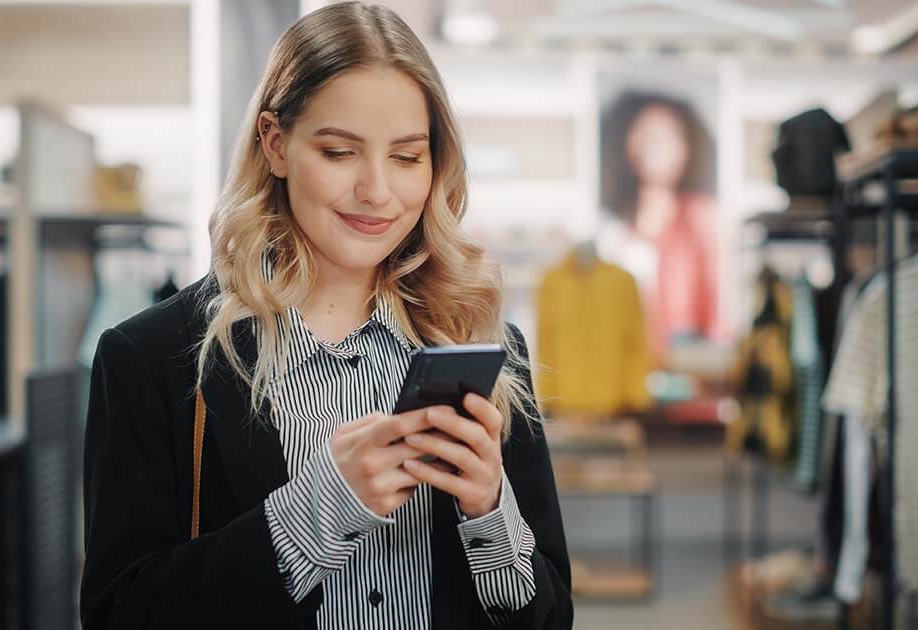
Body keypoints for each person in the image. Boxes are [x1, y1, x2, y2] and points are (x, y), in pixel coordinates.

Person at [80, 3, 572, 629]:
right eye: (340, 152)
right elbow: (120, 616)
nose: (376, 191)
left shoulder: (482, 349)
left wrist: (491, 514)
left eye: (406, 157)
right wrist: (320, 510)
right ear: (276, 143)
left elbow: (553, 618)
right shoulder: (151, 360)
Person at [599, 90, 720, 357]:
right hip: (627, 352)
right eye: (646, 133)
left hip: (685, 349)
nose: (654, 145)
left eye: (667, 135)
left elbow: (715, 298)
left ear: (686, 146)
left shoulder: (701, 217)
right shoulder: (616, 229)